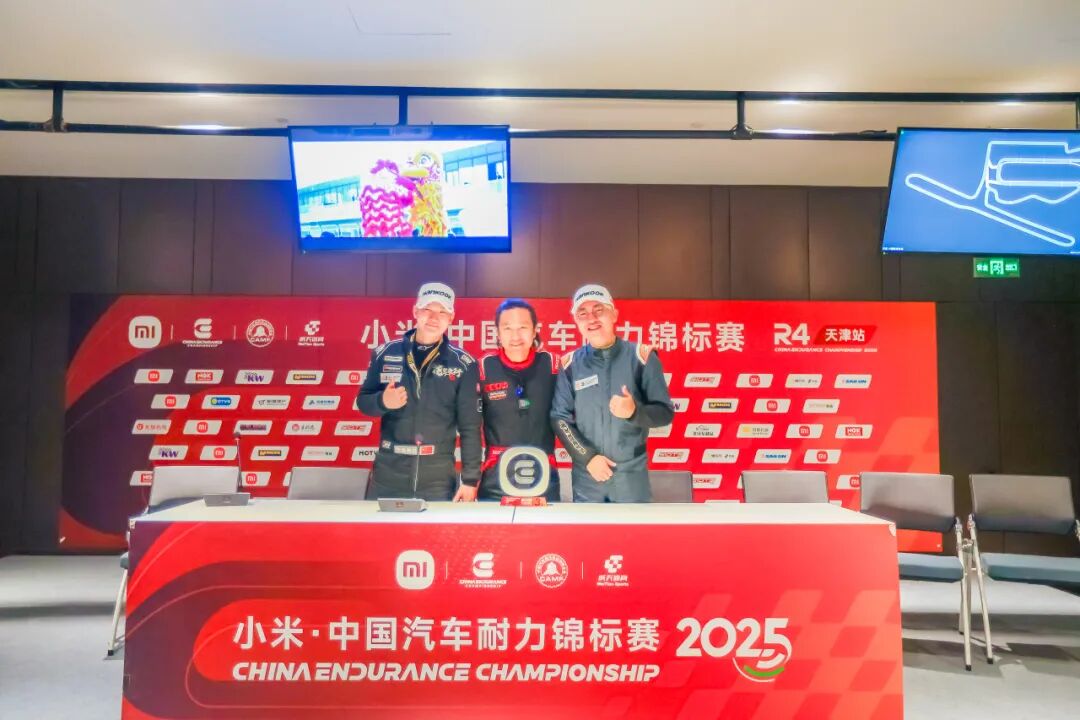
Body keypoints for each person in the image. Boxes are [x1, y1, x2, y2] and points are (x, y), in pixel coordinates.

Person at [356, 282, 481, 501]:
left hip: (437, 476)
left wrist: (470, 480)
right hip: (389, 471)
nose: (434, 318)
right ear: (415, 311)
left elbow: (470, 426)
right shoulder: (385, 353)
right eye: (427, 309)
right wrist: (383, 401)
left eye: (442, 312)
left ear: (451, 318)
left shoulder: (464, 364)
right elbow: (363, 402)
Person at [550, 284, 674, 502]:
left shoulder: (642, 357)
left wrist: (634, 412)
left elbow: (664, 413)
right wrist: (588, 457)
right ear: (576, 321)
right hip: (588, 477)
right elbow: (560, 418)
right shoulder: (570, 365)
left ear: (614, 314)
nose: (591, 318)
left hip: (631, 478)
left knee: (633, 527)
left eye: (599, 310)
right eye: (582, 313)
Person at [467, 298, 560, 502]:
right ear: (498, 333)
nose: (515, 336)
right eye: (507, 328)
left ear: (535, 330)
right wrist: (470, 480)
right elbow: (469, 428)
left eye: (523, 327)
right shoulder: (483, 368)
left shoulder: (553, 365)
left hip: (544, 476)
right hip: (495, 478)